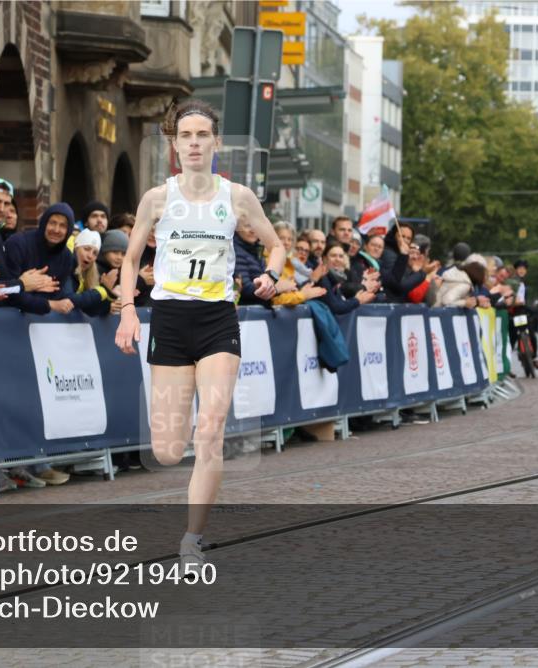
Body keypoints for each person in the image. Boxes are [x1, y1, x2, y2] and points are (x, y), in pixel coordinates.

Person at [114, 99, 284, 568]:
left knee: (210, 431)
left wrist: (271, 274)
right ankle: (186, 432)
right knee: (169, 450)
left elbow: (275, 245)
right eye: (185, 136)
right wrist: (128, 311)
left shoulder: (238, 196)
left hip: (217, 321)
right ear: (174, 144)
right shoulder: (157, 198)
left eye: (202, 135)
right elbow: (130, 260)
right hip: (169, 320)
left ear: (216, 142)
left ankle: (191, 540)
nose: (193, 143)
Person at [0, 202, 77, 315]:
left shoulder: (67, 257)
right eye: (52, 223)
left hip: (39, 322)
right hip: (6, 316)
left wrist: (31, 289)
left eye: (63, 226)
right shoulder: (18, 244)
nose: (56, 230)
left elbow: (56, 295)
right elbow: (7, 291)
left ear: (69, 231)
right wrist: (47, 303)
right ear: (44, 223)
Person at [317, 241, 378, 314]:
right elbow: (336, 307)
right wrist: (358, 300)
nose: (338, 259)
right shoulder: (323, 278)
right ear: (324, 259)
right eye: (333, 256)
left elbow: (341, 303)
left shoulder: (336, 279)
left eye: (341, 256)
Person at [66, 229, 113, 316]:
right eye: (86, 249)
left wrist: (109, 295)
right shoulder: (64, 264)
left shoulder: (88, 274)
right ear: (76, 247)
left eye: (95, 253)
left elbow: (90, 311)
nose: (90, 256)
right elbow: (68, 300)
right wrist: (101, 291)